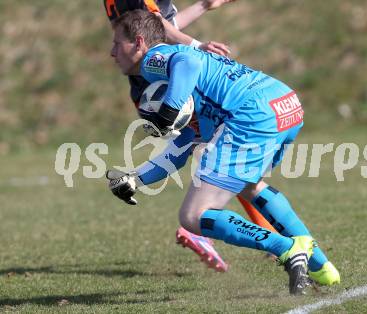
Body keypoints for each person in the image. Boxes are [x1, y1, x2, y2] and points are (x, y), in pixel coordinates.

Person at [106, 10, 340, 294]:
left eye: (118, 43)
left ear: (139, 42)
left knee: (193, 215)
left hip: (251, 113)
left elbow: (187, 60)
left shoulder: (155, 61)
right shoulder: (190, 84)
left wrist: (168, 110)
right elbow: (182, 148)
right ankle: (321, 266)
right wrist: (136, 178)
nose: (112, 51)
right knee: (249, 186)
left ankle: (289, 249)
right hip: (284, 103)